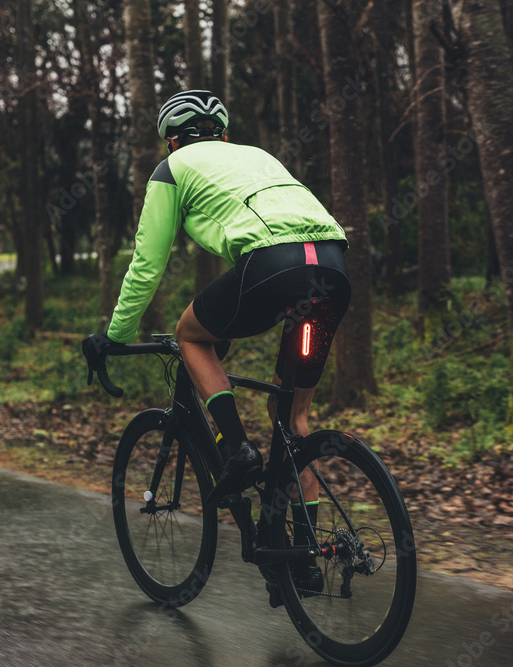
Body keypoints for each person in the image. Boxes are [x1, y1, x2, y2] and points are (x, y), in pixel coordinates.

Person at [85, 90, 350, 597]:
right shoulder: (259, 157)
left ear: (171, 141)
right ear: (223, 134)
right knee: (295, 423)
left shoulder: (173, 168)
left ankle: (236, 450)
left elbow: (147, 264)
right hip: (334, 267)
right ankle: (305, 563)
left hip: (273, 267)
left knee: (190, 334)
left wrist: (115, 336)